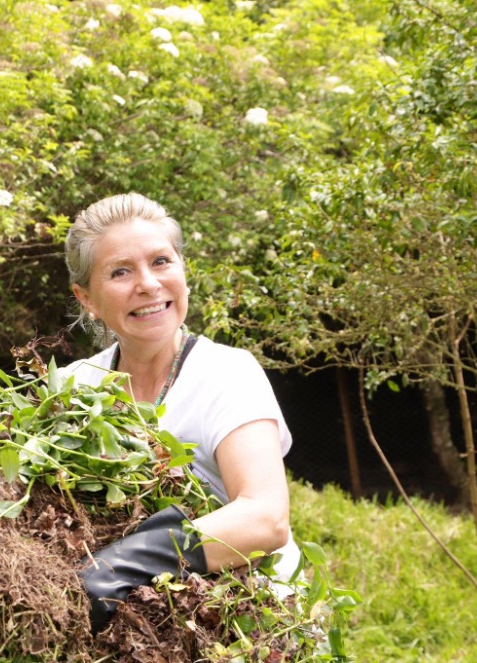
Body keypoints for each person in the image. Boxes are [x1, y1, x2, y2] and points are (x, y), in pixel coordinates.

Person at [62, 192, 300, 632]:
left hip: (248, 628)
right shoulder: (73, 387)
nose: (149, 284)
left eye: (161, 262)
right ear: (87, 298)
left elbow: (266, 518)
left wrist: (124, 563)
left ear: (183, 272)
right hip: (133, 631)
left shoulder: (226, 373)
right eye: (120, 271)